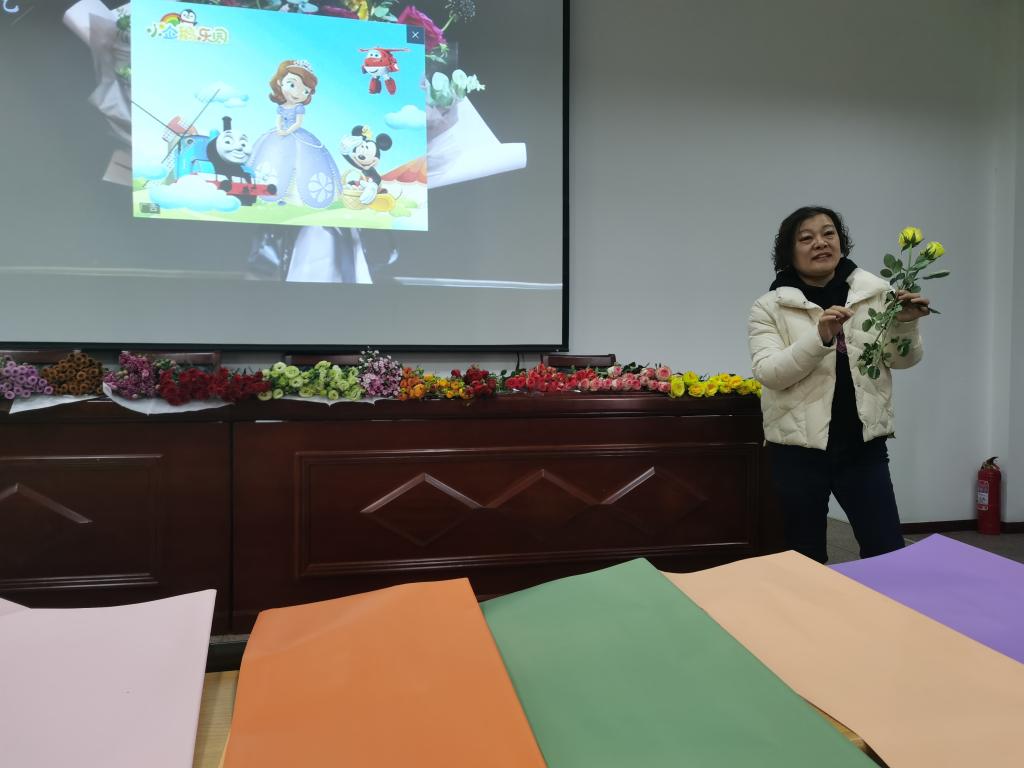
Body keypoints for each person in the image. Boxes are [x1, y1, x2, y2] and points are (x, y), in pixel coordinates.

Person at [748, 206, 931, 563]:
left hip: (863, 447)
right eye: (807, 238)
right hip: (797, 451)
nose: (820, 242)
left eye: (828, 233)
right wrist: (820, 337)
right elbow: (769, 372)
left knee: (886, 553)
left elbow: (902, 360)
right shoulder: (769, 307)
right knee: (805, 558)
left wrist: (906, 324)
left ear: (841, 242)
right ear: (789, 252)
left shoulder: (875, 294)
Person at [249, 59, 341, 209]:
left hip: (294, 132)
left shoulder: (299, 108)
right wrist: (279, 129)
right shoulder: (281, 106)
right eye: (292, 85)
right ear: (280, 82)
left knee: (304, 160)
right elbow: (278, 119)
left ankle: (294, 197)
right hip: (279, 132)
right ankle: (268, 192)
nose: (298, 93)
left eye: (305, 91)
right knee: (270, 155)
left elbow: (298, 123)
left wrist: (287, 131)